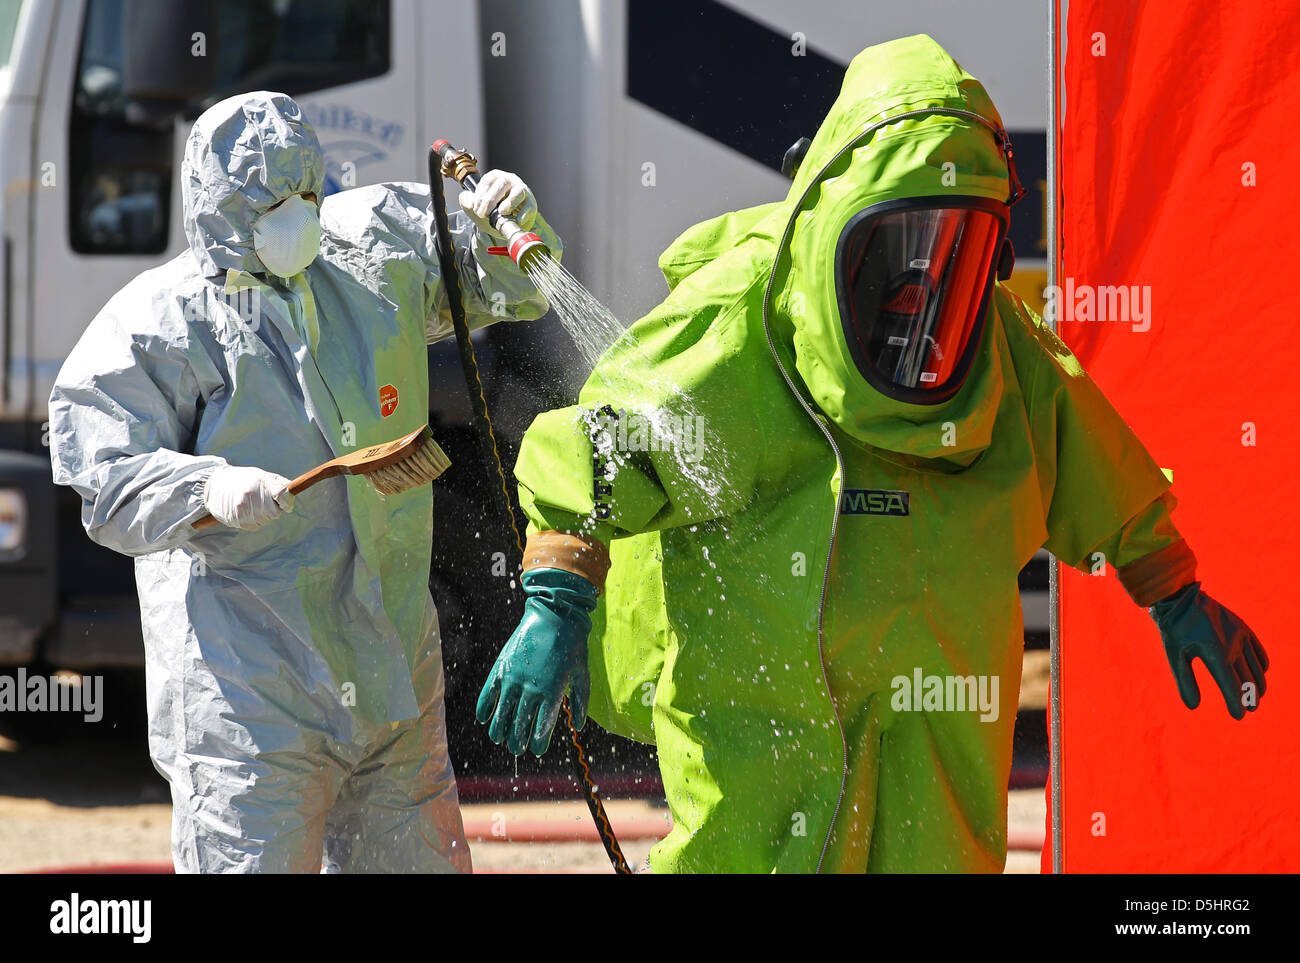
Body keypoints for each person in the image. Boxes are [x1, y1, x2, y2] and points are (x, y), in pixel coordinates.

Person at [474, 35, 1268, 873]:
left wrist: (1171, 585)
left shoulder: (1003, 356)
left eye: (951, 257)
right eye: (898, 257)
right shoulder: (745, 322)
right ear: (832, 237)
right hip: (762, 712)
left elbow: (1091, 458)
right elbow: (605, 443)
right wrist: (556, 598)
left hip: (941, 718)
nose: (919, 295)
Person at [48, 91, 560, 873]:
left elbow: (515, 287)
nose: (297, 218)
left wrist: (512, 221)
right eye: (269, 205)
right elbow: (103, 475)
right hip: (251, 698)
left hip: (390, 678)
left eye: (305, 196)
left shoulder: (370, 250)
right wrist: (203, 488)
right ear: (220, 215)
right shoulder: (156, 324)